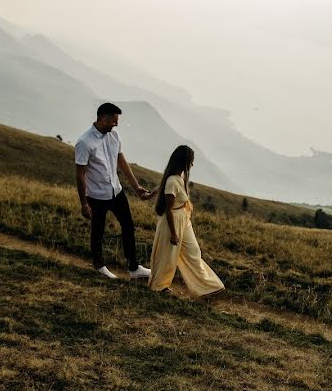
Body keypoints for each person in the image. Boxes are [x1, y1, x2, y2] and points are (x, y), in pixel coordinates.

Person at [75, 102, 153, 280]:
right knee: (98, 231)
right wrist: (84, 204)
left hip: (116, 191)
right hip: (96, 196)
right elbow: (80, 176)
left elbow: (122, 161)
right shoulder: (84, 142)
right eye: (114, 121)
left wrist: (136, 186)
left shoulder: (114, 135)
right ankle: (99, 266)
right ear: (104, 119)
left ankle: (134, 268)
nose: (116, 124)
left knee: (128, 226)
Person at [148, 145, 225, 297]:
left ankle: (207, 287)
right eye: (191, 160)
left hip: (184, 220)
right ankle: (160, 286)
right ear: (183, 161)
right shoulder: (172, 181)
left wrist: (152, 193)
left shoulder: (178, 178)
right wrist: (173, 234)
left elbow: (165, 186)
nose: (192, 164)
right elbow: (169, 209)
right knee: (168, 257)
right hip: (172, 222)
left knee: (194, 251)